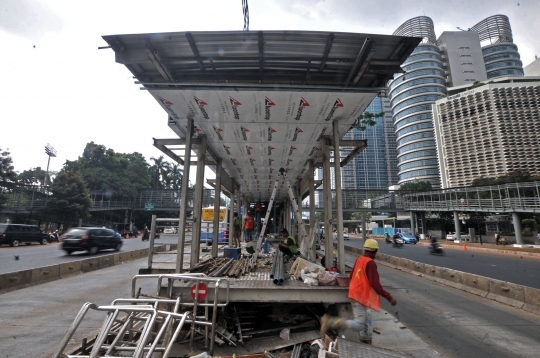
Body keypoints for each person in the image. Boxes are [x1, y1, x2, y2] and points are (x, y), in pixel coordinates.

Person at [320, 239, 397, 342]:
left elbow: (351, 276)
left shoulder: (359, 259)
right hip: (360, 296)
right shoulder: (371, 263)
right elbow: (376, 285)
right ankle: (331, 322)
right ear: (375, 251)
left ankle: (365, 339)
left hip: (355, 293)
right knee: (359, 324)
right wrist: (389, 297)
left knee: (364, 319)